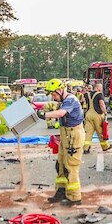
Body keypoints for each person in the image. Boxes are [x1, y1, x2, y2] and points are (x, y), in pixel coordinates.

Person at [42, 78, 86, 206]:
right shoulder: (63, 101)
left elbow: (61, 113)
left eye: (54, 94)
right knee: (60, 163)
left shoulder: (70, 100)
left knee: (71, 166)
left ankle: (74, 197)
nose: (53, 97)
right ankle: (61, 192)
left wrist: (45, 115)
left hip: (74, 135)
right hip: (66, 135)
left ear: (60, 90)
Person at [81, 80, 112, 153]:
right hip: (97, 115)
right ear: (98, 88)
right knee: (100, 131)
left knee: (88, 132)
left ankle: (86, 148)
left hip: (88, 115)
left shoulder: (87, 94)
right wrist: (105, 113)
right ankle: (105, 146)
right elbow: (101, 104)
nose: (101, 89)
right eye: (101, 88)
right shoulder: (99, 94)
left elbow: (82, 101)